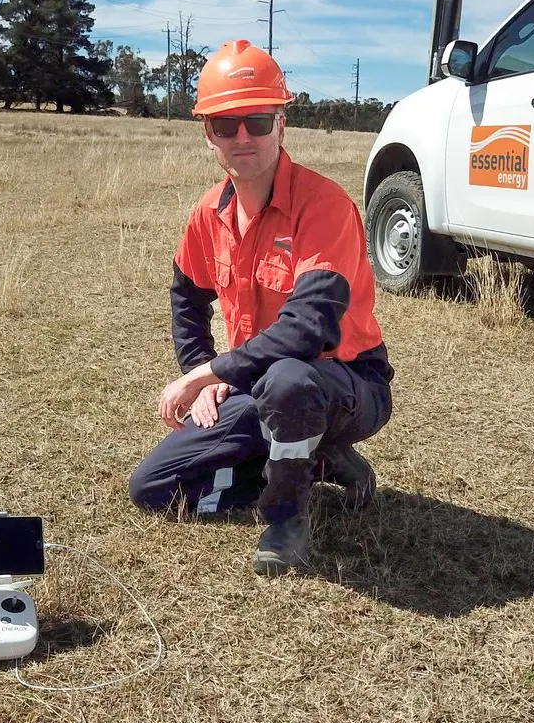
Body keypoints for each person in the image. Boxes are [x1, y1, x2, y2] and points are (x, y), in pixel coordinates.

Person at [128, 39, 394, 576]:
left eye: (257, 119)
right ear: (208, 135)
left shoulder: (324, 207)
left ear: (281, 125)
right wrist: (200, 372)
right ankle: (311, 460)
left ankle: (287, 514)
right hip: (257, 382)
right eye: (226, 125)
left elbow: (307, 329)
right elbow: (187, 295)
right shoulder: (209, 213)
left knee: (291, 380)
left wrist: (210, 372)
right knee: (154, 489)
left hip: (344, 383)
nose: (242, 136)